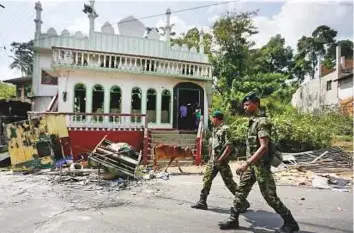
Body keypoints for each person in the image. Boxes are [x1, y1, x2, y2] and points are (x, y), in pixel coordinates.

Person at [218, 92, 299, 233]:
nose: (245, 107)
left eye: (247, 104)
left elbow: (263, 147)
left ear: (256, 104)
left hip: (261, 166)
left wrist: (246, 163)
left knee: (269, 196)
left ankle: (290, 223)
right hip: (252, 166)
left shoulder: (263, 122)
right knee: (240, 192)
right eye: (244, 105)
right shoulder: (253, 122)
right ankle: (233, 218)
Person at [191, 110, 250, 212]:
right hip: (213, 160)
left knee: (229, 183)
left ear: (216, 118)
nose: (211, 120)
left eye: (212, 118)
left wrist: (221, 159)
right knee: (207, 180)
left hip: (221, 161)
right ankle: (202, 201)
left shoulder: (225, 129)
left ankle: (243, 202)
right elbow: (213, 145)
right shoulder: (215, 130)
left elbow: (229, 146)